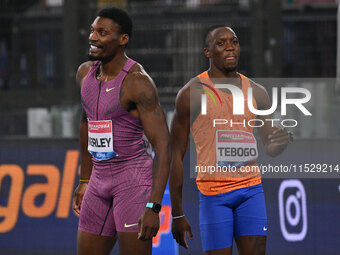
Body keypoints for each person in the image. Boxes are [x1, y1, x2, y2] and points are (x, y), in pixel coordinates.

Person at [169, 25, 292, 255]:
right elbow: (175, 154)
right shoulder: (191, 94)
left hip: (250, 190)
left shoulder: (257, 92)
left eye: (234, 42)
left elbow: (270, 147)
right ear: (207, 52)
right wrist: (177, 212)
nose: (230, 48)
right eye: (221, 43)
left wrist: (281, 140)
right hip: (213, 194)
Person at [72, 7, 170, 255]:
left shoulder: (138, 82)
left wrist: (154, 206)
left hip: (132, 180)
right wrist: (85, 180)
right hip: (98, 181)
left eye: (102, 32)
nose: (93, 37)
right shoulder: (84, 74)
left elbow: (163, 146)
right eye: (93, 30)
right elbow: (87, 121)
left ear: (123, 39)